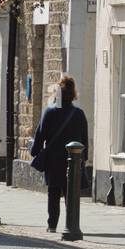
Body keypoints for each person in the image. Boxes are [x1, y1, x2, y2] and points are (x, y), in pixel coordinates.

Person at [30, 74, 89, 233]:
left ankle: (52, 224)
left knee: (53, 193)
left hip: (53, 160)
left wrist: (34, 151)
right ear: (72, 94)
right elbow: (84, 139)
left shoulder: (49, 112)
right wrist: (85, 159)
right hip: (73, 161)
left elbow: (40, 134)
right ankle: (71, 223)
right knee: (71, 194)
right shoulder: (79, 114)